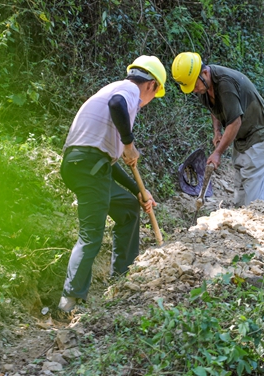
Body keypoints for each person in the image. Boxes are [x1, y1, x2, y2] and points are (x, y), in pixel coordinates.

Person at [58, 55, 166, 312]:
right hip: (88, 166)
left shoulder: (114, 90)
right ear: (151, 85)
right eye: (155, 93)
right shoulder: (127, 91)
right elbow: (116, 105)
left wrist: (138, 191)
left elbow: (110, 163)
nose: (148, 102)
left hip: (92, 165)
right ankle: (69, 301)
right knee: (91, 234)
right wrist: (129, 143)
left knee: (128, 207)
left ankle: (121, 279)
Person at [171, 52, 264, 207]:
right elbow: (214, 109)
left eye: (194, 85)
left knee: (256, 194)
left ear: (205, 73)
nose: (194, 90)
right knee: (241, 183)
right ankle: (241, 223)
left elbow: (235, 122)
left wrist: (217, 153)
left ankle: (259, 223)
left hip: (259, 131)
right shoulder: (204, 88)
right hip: (242, 135)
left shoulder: (225, 84)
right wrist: (217, 131)